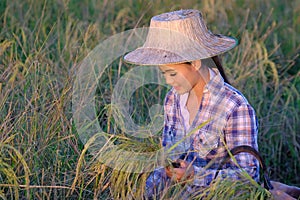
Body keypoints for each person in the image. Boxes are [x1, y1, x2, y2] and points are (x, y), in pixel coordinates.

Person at [123, 9, 259, 199]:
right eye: (164, 74)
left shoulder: (234, 106)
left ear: (195, 63)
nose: (169, 82)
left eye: (173, 73)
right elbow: (167, 158)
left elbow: (249, 176)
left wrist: (196, 175)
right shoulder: (172, 100)